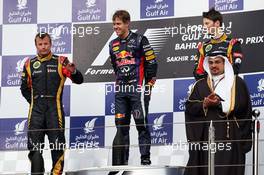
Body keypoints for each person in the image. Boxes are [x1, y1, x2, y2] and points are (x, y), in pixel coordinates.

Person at [20, 32, 83, 175]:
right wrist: (34, 102)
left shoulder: (61, 61)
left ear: (51, 44)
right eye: (40, 44)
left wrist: (74, 72)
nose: (43, 47)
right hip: (36, 111)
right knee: (34, 147)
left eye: (46, 43)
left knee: (57, 146)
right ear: (36, 45)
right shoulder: (29, 64)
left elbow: (79, 80)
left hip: (55, 111)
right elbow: (24, 88)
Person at [184, 50, 252, 175]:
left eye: (217, 62)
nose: (213, 65)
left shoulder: (237, 83)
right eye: (210, 62)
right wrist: (204, 104)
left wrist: (220, 104)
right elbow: (189, 107)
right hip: (205, 139)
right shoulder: (200, 85)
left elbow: (243, 106)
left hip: (229, 138)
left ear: (225, 63)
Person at [109, 10, 157, 166]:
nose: (116, 27)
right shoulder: (113, 44)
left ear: (127, 23)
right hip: (121, 91)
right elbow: (115, 67)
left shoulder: (140, 40)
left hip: (138, 89)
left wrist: (148, 83)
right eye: (114, 24)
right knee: (121, 126)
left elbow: (152, 62)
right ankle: (122, 162)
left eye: (119, 23)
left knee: (141, 124)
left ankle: (145, 159)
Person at [193, 8, 243, 80]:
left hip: (228, 87)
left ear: (217, 23)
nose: (204, 27)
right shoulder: (202, 47)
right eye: (204, 24)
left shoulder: (233, 44)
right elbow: (198, 73)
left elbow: (235, 70)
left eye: (207, 23)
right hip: (209, 88)